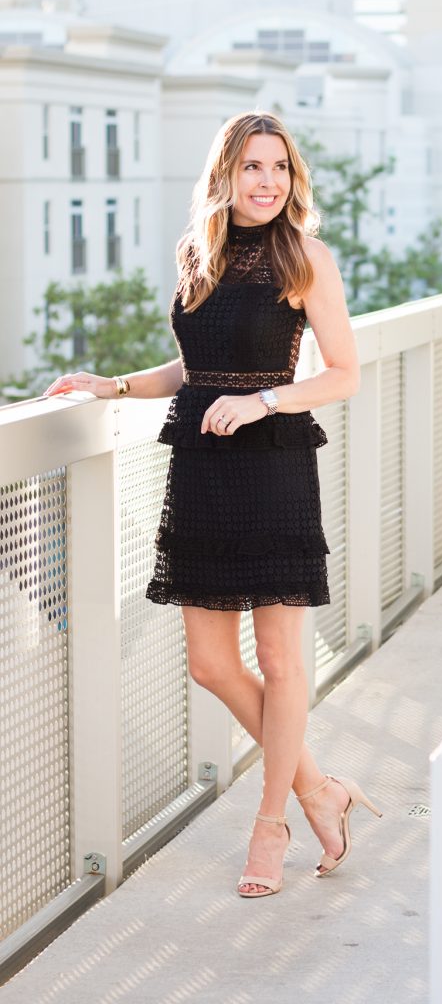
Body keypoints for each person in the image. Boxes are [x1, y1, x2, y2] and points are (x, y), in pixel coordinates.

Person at [44, 111, 382, 899]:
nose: (267, 182)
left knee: (281, 659)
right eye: (253, 167)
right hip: (200, 468)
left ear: (293, 180)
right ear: (224, 175)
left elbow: (343, 374)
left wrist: (266, 401)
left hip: (272, 465)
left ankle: (271, 827)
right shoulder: (201, 253)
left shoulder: (305, 258)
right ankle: (320, 788)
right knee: (210, 663)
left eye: (281, 169)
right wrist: (116, 385)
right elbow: (197, 366)